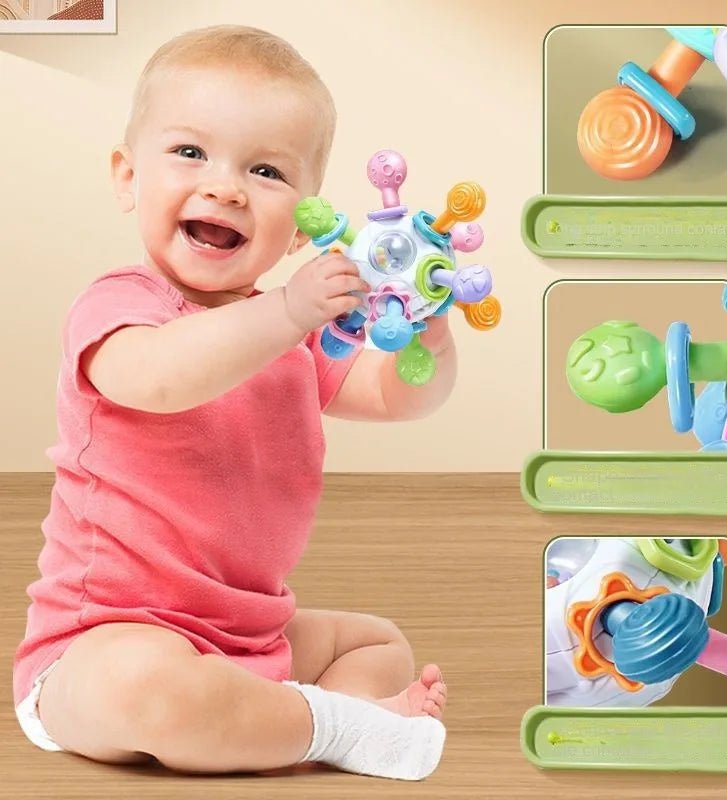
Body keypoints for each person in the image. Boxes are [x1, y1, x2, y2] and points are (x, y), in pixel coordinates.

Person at [13, 24, 456, 781]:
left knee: (377, 644)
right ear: (127, 177)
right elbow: (160, 378)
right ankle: (337, 727)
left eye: (265, 170)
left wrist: (431, 337)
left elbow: (390, 398)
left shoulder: (296, 335)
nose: (225, 187)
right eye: (190, 153)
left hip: (250, 638)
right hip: (105, 641)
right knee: (144, 688)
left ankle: (314, 721)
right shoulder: (121, 308)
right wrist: (286, 313)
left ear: (299, 227)